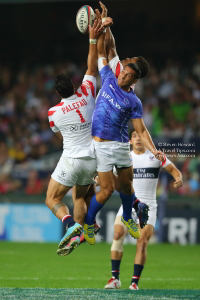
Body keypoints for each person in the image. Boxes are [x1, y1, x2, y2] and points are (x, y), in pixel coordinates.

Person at [83, 23, 164, 246]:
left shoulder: (133, 101)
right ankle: (89, 222)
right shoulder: (109, 75)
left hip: (119, 145)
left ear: (134, 80)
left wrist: (153, 149)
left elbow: (141, 130)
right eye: (123, 71)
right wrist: (104, 26)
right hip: (101, 146)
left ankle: (129, 217)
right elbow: (104, 50)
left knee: (127, 187)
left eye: (127, 74)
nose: (122, 75)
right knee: (107, 189)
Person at [45, 20, 107, 256]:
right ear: (73, 85)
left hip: (71, 158)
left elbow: (60, 136)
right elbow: (91, 67)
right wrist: (92, 38)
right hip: (92, 158)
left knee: (52, 199)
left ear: (58, 93)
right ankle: (86, 227)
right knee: (80, 195)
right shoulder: (88, 92)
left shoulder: (53, 112)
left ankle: (72, 226)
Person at [104, 128, 183, 290]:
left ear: (146, 139)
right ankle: (115, 278)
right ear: (130, 141)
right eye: (134, 136)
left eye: (141, 136)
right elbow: (109, 176)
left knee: (142, 241)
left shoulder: (155, 157)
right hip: (128, 204)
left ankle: (134, 282)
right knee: (117, 234)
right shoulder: (124, 158)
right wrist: (100, 178)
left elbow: (175, 171)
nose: (138, 139)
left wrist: (178, 178)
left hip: (148, 206)